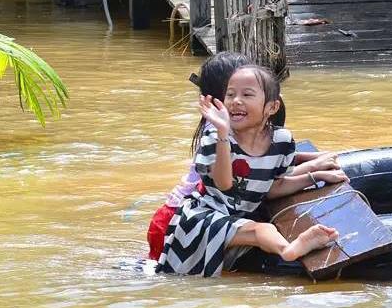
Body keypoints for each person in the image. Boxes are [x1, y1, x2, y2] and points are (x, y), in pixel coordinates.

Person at [146, 52, 342, 260]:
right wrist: (313, 168)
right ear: (221, 97)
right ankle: (289, 250)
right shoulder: (218, 130)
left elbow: (265, 178)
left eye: (248, 92)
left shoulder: (277, 137)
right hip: (182, 215)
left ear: (271, 106)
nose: (237, 100)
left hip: (223, 207)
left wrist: (314, 171)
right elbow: (232, 183)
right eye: (232, 93)